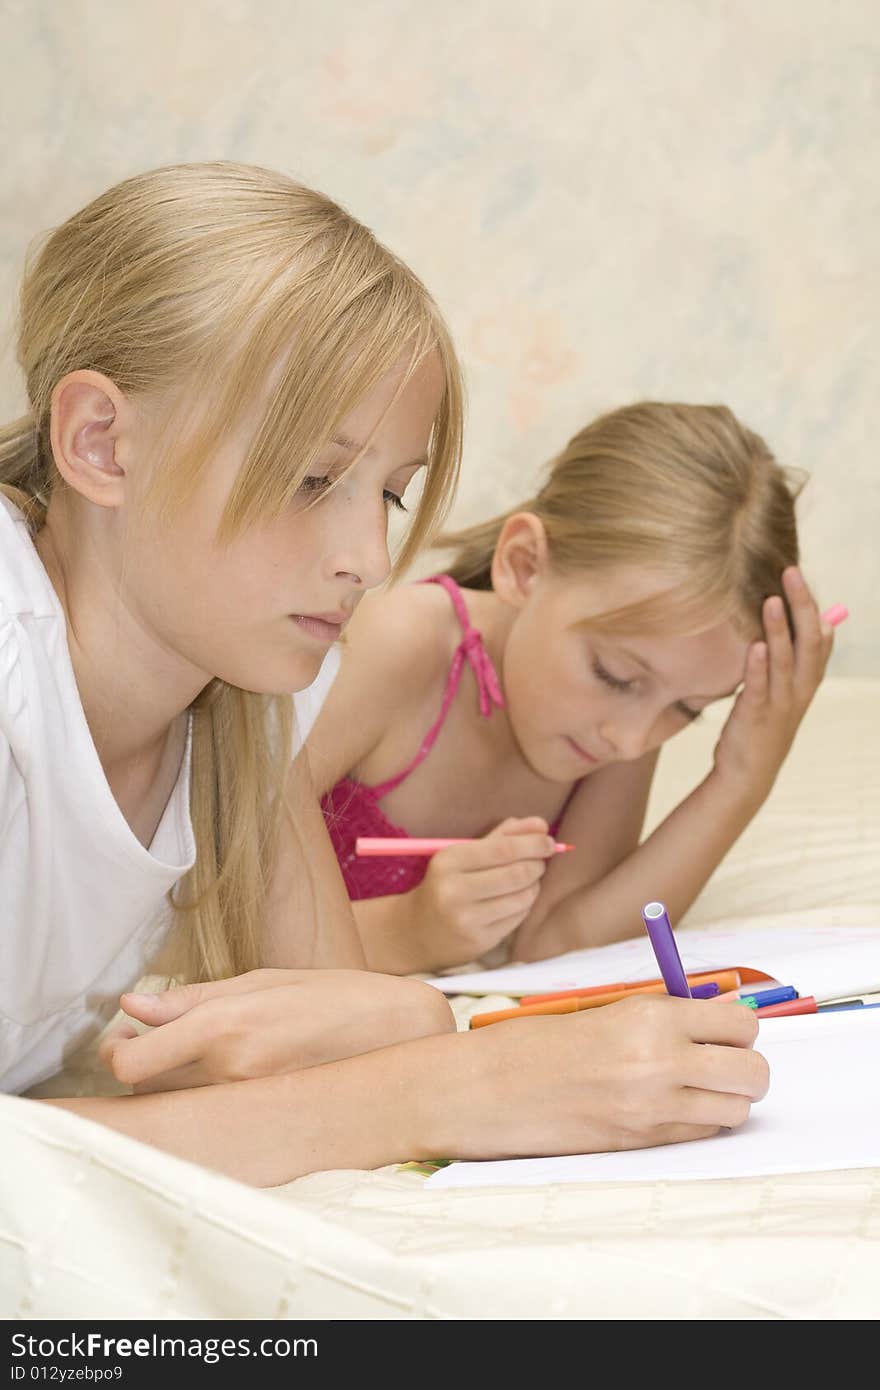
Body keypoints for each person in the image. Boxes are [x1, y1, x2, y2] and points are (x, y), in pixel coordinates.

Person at [0, 165, 767, 1186]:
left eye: (389, 496)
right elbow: (377, 1087)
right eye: (312, 478)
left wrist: (419, 1020)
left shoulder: (251, 695)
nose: (366, 556)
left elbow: (338, 1021)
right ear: (103, 443)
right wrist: (451, 1085)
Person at [313, 402, 833, 972]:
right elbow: (217, 915)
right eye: (615, 675)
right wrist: (409, 930)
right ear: (525, 566)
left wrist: (742, 778)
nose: (634, 741)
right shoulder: (398, 647)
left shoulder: (622, 725)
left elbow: (559, 946)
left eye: (689, 710)